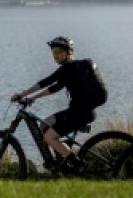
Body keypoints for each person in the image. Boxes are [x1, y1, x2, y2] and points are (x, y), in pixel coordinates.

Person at [11, 36, 108, 174]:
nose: (55, 55)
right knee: (44, 125)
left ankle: (77, 164)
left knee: (49, 137)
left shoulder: (68, 67)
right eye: (53, 52)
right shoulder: (72, 70)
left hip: (80, 113)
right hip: (78, 111)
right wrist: (32, 98)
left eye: (58, 51)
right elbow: (55, 87)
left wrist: (22, 95)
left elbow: (46, 82)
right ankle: (61, 161)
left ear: (68, 52)